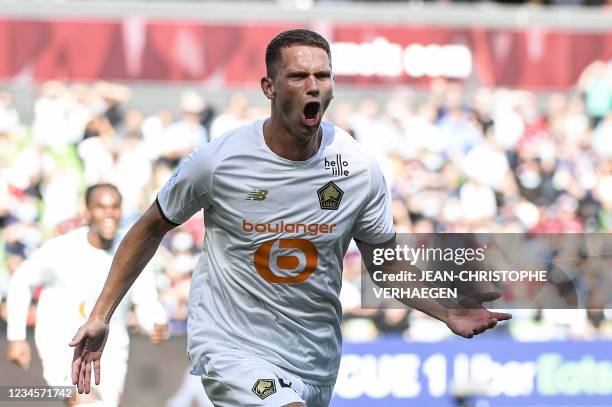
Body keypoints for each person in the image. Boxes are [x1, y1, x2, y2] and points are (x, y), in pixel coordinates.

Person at [69, 30, 511, 407]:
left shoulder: (357, 167)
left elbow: (386, 264)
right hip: (229, 345)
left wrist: (446, 309)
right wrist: (102, 313)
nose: (313, 85)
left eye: (322, 75)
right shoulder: (218, 161)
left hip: (313, 355)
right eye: (298, 76)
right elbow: (151, 226)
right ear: (270, 87)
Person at [6, 183, 167, 407]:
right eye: (101, 207)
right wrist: (16, 335)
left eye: (115, 207)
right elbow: (21, 281)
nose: (109, 214)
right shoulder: (61, 250)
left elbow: (146, 301)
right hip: (64, 347)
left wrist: (154, 324)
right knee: (86, 400)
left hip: (112, 351)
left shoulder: (132, 249)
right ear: (87, 211)